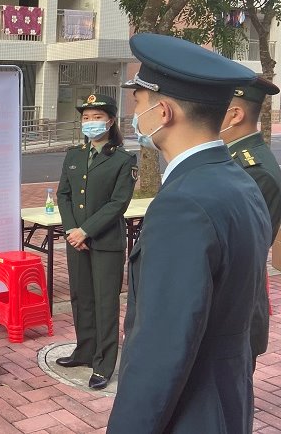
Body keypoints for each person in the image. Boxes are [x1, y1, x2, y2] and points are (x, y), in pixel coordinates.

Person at [107, 33, 271, 433]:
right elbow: (254, 314)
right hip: (228, 399)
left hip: (190, 412)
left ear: (163, 112)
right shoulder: (240, 181)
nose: (135, 113)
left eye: (139, 102)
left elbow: (159, 351)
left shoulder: (182, 203)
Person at [55, 93, 137, 391]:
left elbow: (118, 203)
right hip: (76, 241)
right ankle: (85, 351)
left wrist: (85, 231)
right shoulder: (74, 155)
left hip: (105, 243)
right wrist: (72, 230)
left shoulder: (123, 159)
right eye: (86, 118)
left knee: (105, 303)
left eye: (97, 117)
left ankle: (103, 363)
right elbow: (64, 194)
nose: (90, 122)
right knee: (81, 298)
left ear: (110, 121)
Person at [220, 75, 281, 371]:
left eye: (212, 107)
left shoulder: (254, 170)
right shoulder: (231, 159)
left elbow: (244, 251)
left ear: (235, 115)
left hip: (233, 313)